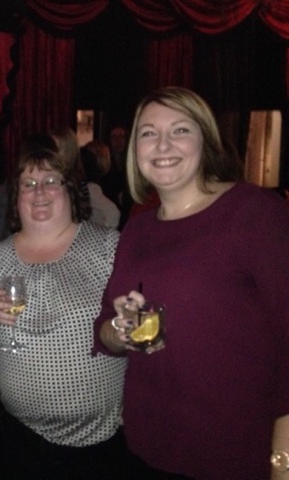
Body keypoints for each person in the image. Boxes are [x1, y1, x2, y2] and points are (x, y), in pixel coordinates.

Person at [93, 86, 289, 480]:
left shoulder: (255, 212)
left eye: (180, 130)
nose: (163, 144)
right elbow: (104, 333)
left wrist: (282, 460)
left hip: (234, 452)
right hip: (148, 444)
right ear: (135, 150)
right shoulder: (138, 229)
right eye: (149, 133)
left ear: (206, 141)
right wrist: (119, 329)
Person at [0, 145, 131, 479]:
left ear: (70, 189)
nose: (39, 192)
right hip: (22, 441)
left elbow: (136, 322)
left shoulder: (110, 247)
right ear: (16, 196)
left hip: (101, 443)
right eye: (28, 184)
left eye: (51, 181)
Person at [51, 126, 120, 228]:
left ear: (68, 151)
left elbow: (113, 214)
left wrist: (97, 236)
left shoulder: (82, 186)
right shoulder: (49, 180)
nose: (52, 153)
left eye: (56, 149)